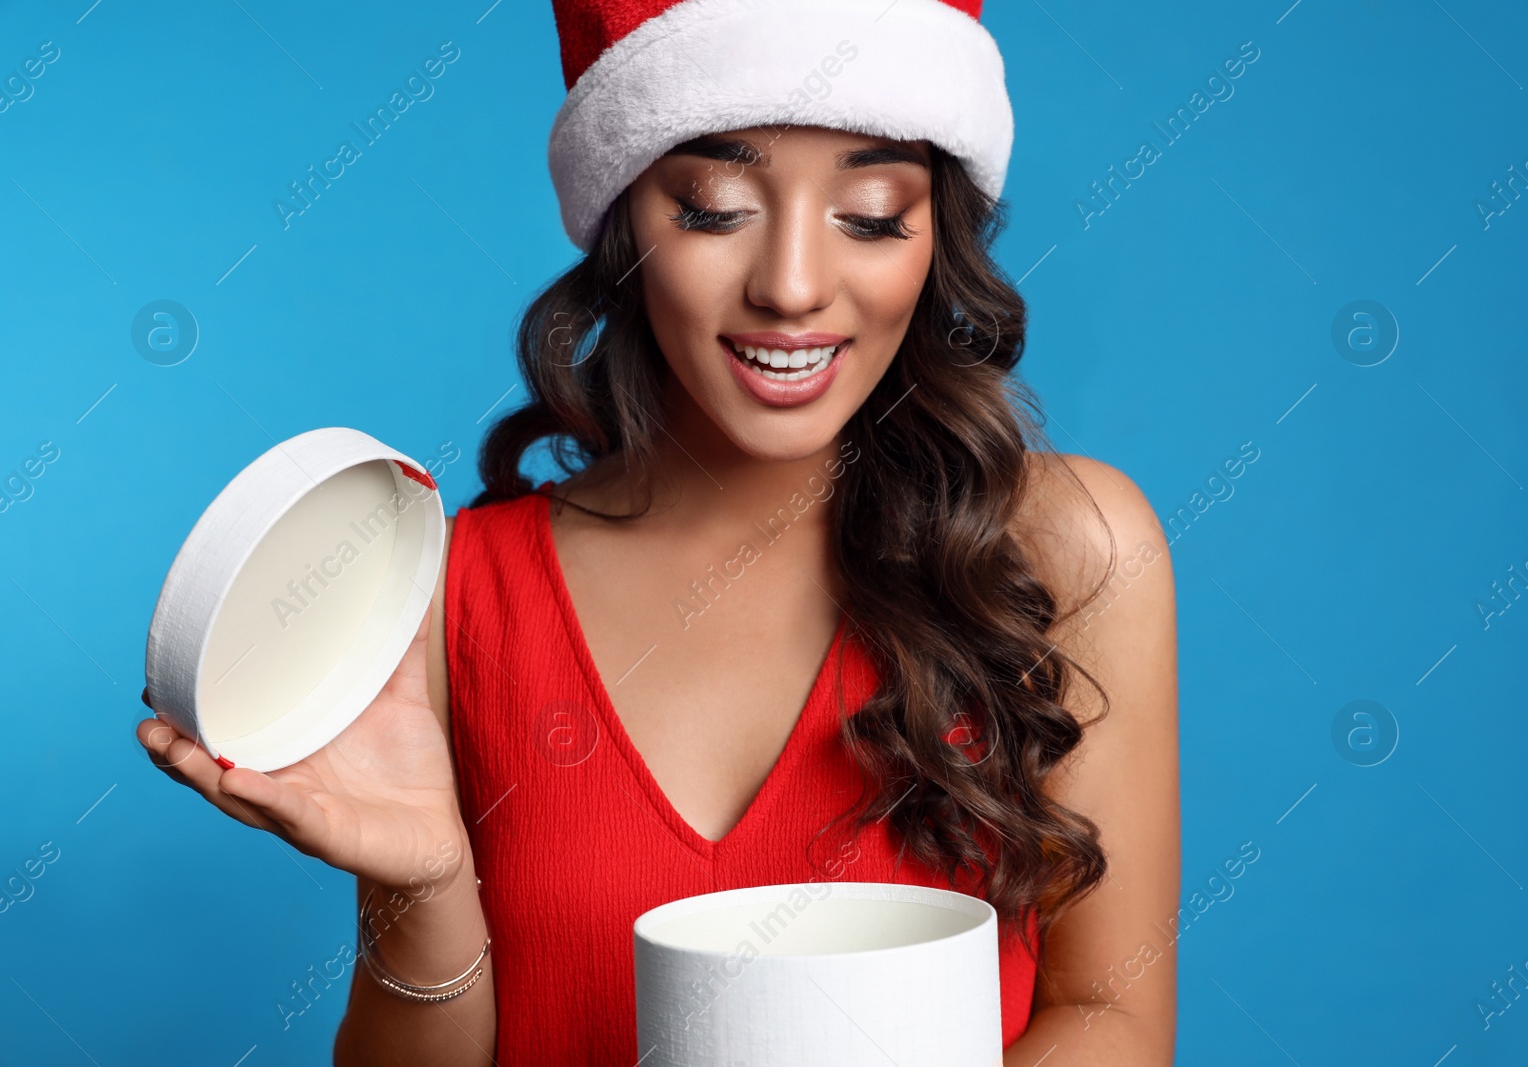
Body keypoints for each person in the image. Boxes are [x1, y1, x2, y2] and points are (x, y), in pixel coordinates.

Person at [138, 1, 1179, 1063]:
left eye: (869, 213)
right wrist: (424, 885)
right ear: (625, 216)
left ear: (934, 238)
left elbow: (1111, 1013)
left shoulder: (1065, 547)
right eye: (717, 207)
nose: (791, 286)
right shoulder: (456, 594)